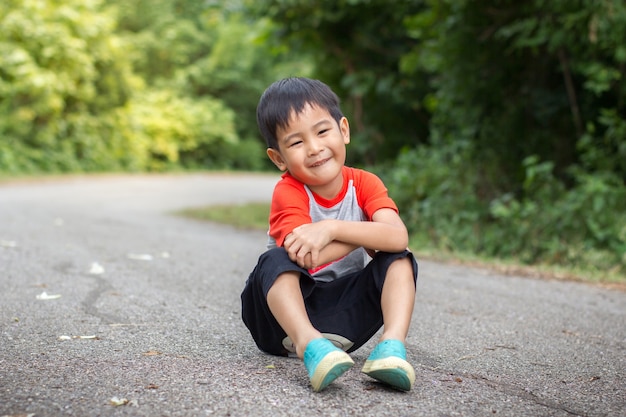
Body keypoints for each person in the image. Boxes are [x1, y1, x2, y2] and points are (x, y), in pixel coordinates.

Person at [241, 77, 418, 392]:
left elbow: (397, 237)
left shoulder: (365, 184)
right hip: (278, 323)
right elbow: (305, 257)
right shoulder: (289, 191)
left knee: (399, 259)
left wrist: (332, 227)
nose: (314, 148)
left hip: (343, 325)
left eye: (322, 131)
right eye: (296, 142)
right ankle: (309, 345)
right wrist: (368, 235)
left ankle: (391, 349)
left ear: (344, 131)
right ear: (278, 158)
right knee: (274, 260)